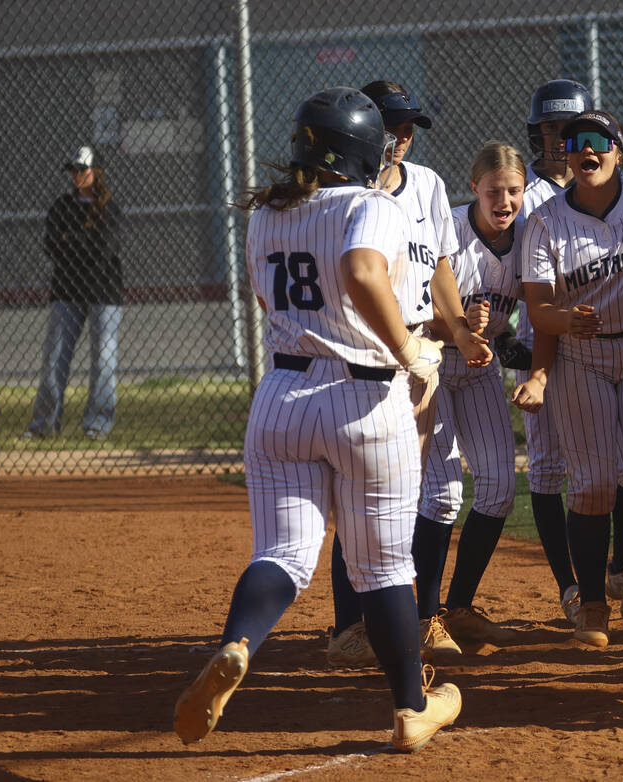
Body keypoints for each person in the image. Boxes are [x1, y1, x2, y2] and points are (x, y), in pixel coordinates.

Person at [172, 86, 460, 751]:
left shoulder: (265, 215)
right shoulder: (373, 204)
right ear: (363, 151)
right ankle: (412, 708)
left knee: (282, 554)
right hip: (363, 398)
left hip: (281, 397)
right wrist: (411, 348)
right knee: (384, 567)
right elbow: (362, 272)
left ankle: (239, 643)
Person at [326, 80, 493, 667]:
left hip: (421, 353)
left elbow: (441, 267)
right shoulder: (343, 189)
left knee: (414, 493)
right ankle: (349, 626)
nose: (400, 138)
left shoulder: (426, 185)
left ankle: (420, 618)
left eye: (407, 127)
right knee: (361, 491)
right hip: (363, 353)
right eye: (390, 126)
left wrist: (463, 330)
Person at [522, 109, 623, 647]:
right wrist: (565, 321)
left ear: (618, 150)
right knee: (591, 487)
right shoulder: (544, 221)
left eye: (598, 141)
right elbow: (539, 308)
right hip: (581, 358)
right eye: (574, 143)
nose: (585, 151)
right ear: (565, 157)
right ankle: (592, 603)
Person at [414, 141, 555, 647]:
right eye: (494, 190)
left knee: (498, 488)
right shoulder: (446, 228)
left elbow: (524, 317)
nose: (505, 201)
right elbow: (408, 307)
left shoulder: (528, 237)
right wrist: (454, 324)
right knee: (444, 493)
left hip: (479, 370)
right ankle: (425, 618)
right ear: (473, 187)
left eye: (514, 190)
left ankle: (460, 607)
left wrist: (510, 348)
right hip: (430, 363)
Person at [514, 79, 593, 623]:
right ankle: (569, 587)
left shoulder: (600, 184)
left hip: (594, 339)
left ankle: (618, 575)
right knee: (545, 469)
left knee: (607, 466)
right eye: (549, 128)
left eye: (567, 128)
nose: (557, 137)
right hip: (536, 339)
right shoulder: (522, 194)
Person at [24, 146, 123, 441]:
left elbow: (104, 250)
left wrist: (72, 240)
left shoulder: (110, 208)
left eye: (83, 169)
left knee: (103, 359)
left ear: (97, 173)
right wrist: (82, 242)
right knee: (54, 358)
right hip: (66, 290)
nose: (77, 175)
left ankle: (97, 424)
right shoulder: (62, 207)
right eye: (74, 170)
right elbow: (52, 244)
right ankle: (43, 425)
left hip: (104, 292)